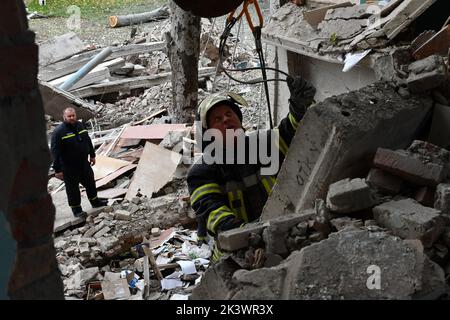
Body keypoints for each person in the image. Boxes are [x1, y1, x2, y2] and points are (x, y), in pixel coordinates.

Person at [187, 76, 316, 261]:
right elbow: (213, 213)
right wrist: (251, 235)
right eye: (217, 119)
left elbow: (292, 132)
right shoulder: (202, 172)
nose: (225, 119)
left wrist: (298, 107)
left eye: (229, 114)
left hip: (280, 235)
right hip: (236, 253)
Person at [51, 107, 107, 218]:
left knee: (90, 183)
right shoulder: (58, 132)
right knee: (73, 189)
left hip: (83, 163)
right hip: (69, 167)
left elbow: (88, 140)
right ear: (64, 117)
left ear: (75, 115)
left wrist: (92, 155)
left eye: (73, 115)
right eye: (69, 116)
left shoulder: (80, 125)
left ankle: (95, 202)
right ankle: (77, 210)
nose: (72, 118)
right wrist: (57, 169)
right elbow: (55, 151)